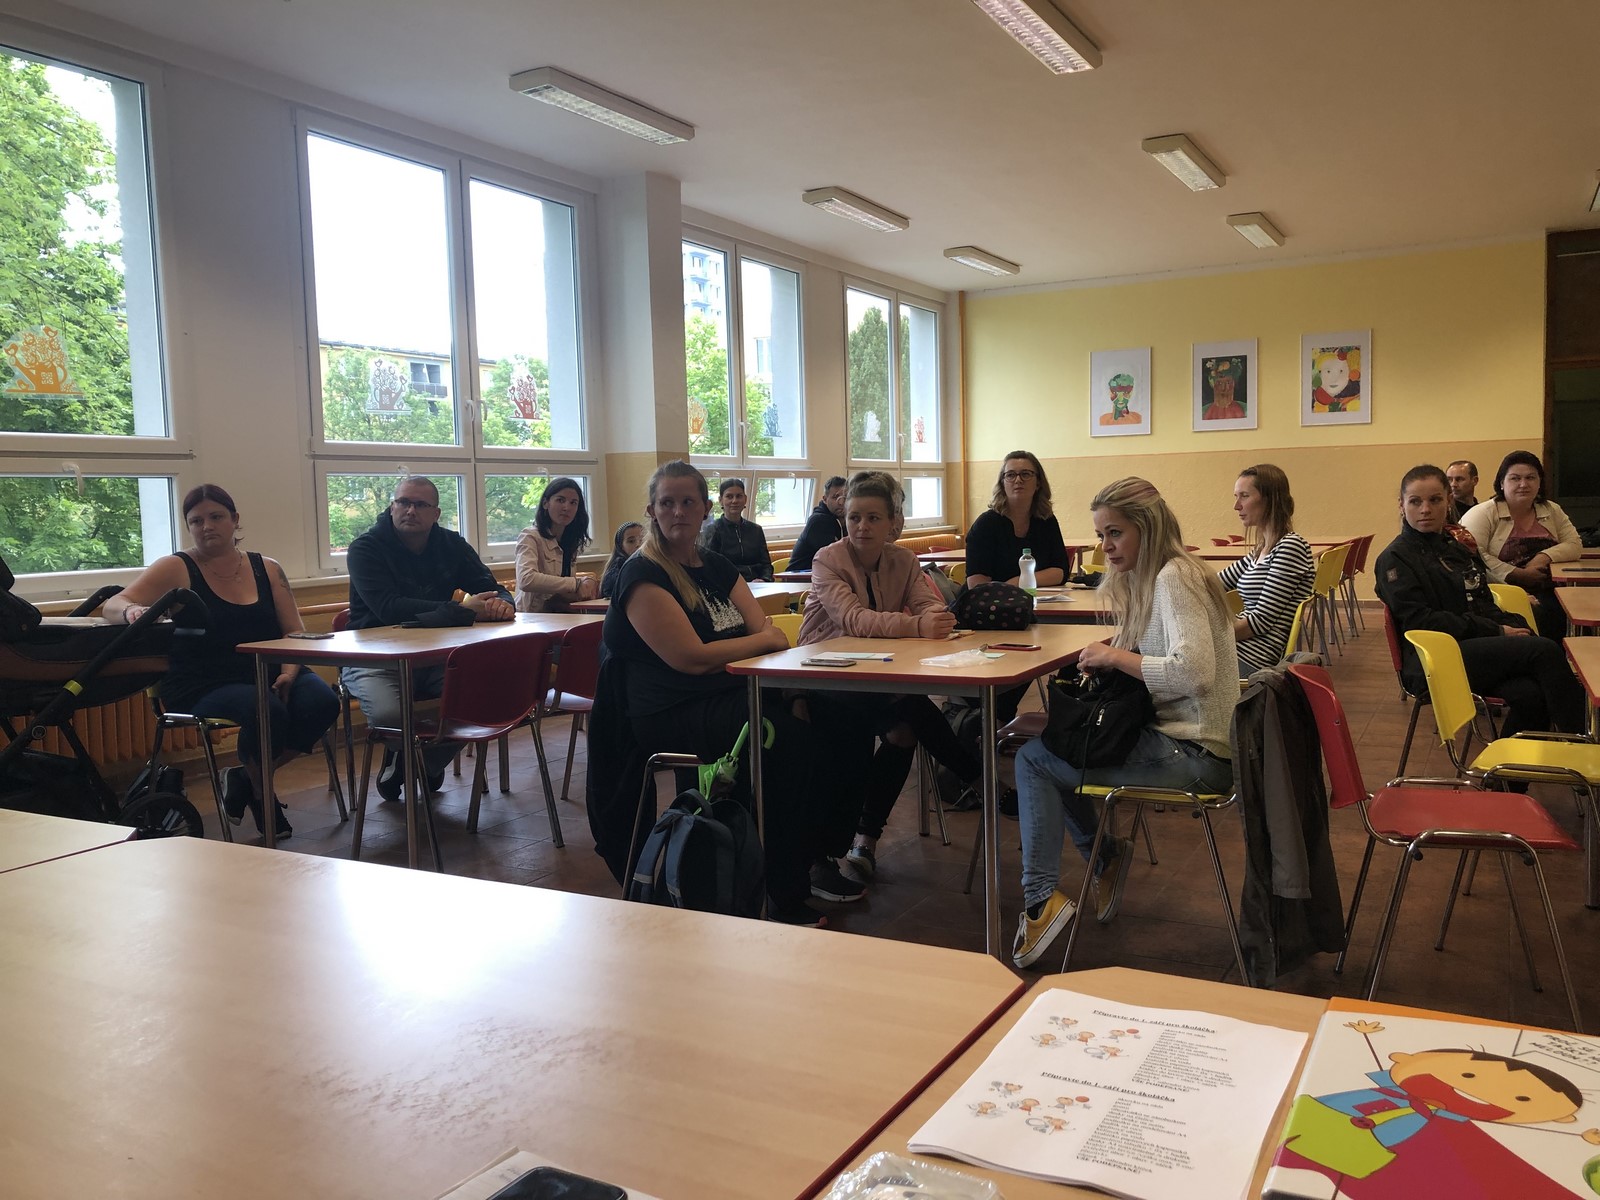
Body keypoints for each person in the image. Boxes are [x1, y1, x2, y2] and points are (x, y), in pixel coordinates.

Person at [587, 460, 828, 925]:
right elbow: (691, 658)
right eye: (667, 503)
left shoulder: (716, 566)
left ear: (705, 508)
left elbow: (766, 631)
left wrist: (759, 640)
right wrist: (761, 640)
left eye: (688, 502)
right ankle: (781, 889)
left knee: (829, 714)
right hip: (668, 711)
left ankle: (818, 856)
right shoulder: (643, 575)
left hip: (726, 696)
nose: (678, 511)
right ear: (652, 511)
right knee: (785, 741)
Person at [1011, 477, 1237, 969]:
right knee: (1058, 749)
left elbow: (1195, 673)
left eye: (1115, 533)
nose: (1106, 547)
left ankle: (1042, 900)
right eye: (1101, 535)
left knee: (1035, 760)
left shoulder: (1174, 577)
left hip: (1198, 754)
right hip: (1193, 744)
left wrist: (1115, 657)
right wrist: (1121, 654)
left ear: (1147, 528)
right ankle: (1102, 857)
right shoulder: (1164, 574)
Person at [104, 484, 338, 839]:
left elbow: (294, 631)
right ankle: (262, 795)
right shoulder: (176, 567)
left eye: (216, 517)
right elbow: (113, 604)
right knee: (267, 710)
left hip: (271, 668)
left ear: (235, 520)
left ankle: (246, 776)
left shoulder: (267, 568)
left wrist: (290, 672)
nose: (207, 526)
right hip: (203, 681)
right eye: (196, 521)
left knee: (323, 703)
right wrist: (132, 611)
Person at [800, 471, 981, 887]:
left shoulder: (904, 561)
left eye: (873, 518)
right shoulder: (828, 559)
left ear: (892, 524)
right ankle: (977, 778)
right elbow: (853, 620)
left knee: (904, 728)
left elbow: (925, 603)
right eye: (854, 517)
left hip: (876, 673)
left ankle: (865, 840)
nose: (862, 527)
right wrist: (917, 626)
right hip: (822, 676)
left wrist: (936, 617)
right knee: (908, 712)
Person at [1376, 464, 1583, 739]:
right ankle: (1588, 747)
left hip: (1472, 646)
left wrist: (1512, 625)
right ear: (1402, 506)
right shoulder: (1394, 559)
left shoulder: (1455, 546)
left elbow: (1481, 600)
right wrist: (1496, 631)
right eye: (1415, 501)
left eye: (1435, 500)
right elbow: (1420, 622)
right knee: (1544, 651)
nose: (1425, 509)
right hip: (1433, 658)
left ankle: (1512, 767)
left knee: (1531, 694)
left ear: (1448, 502)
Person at [344, 476, 515, 799]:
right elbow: (388, 608)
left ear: (435, 513)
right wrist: (461, 611)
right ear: (392, 507)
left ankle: (416, 763)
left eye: (420, 505)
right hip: (374, 657)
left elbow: (492, 588)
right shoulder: (365, 548)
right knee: (390, 717)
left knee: (490, 695)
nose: (410, 510)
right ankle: (415, 759)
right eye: (403, 502)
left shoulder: (451, 544)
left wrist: (502, 605)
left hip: (438, 656)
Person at [1458, 451, 1581, 641]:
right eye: (1515, 478)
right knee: (1542, 614)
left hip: (1548, 588)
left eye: (1530, 478)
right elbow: (1472, 556)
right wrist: (1518, 574)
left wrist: (1543, 557)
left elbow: (1574, 544)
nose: (1523, 484)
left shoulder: (1551, 510)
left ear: (1539, 482)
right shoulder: (1482, 513)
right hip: (1498, 589)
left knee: (1577, 608)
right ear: (1501, 483)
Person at [1217, 464, 1315, 675]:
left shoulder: (1290, 547)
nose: (1236, 506)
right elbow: (1216, 582)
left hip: (1253, 657)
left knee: (1160, 671)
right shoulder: (1261, 550)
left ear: (1270, 500)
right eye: (1236, 496)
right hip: (1237, 649)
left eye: (1244, 496)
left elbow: (1259, 622)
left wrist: (1207, 637)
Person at [965, 451, 1070, 587]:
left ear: (1038, 483)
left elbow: (1061, 572)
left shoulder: (1046, 520)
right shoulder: (986, 525)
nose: (1018, 480)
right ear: (1002, 483)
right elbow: (977, 585)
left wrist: (1019, 582)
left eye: (1025, 474)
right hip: (992, 600)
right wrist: (1012, 588)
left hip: (1038, 597)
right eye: (1010, 475)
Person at [514, 476, 598, 613]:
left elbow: (561, 589)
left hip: (560, 614)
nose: (567, 507)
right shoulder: (530, 536)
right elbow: (526, 579)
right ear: (545, 503)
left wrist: (588, 584)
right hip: (531, 617)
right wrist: (576, 583)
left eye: (573, 503)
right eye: (560, 500)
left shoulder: (570, 540)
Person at [698, 477, 773, 582]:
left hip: (759, 584)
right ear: (720, 500)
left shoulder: (756, 530)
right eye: (729, 496)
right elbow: (711, 568)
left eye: (739, 496)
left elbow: (766, 565)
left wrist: (764, 580)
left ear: (745, 499)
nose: (734, 501)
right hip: (729, 586)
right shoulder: (712, 531)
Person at [787, 476, 847, 571]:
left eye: (845, 497)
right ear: (825, 499)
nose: (840, 502)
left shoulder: (845, 519)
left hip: (823, 573)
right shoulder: (818, 521)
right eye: (835, 497)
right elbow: (834, 558)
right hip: (801, 575)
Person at [599, 521, 644, 600]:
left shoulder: (650, 564)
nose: (638, 544)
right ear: (621, 546)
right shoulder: (617, 568)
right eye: (631, 541)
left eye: (642, 540)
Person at [1446, 459, 1480, 524]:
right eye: (1449, 480)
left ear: (1474, 480)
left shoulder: (1482, 511)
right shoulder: (1444, 513)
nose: (1453, 484)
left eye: (1459, 479)